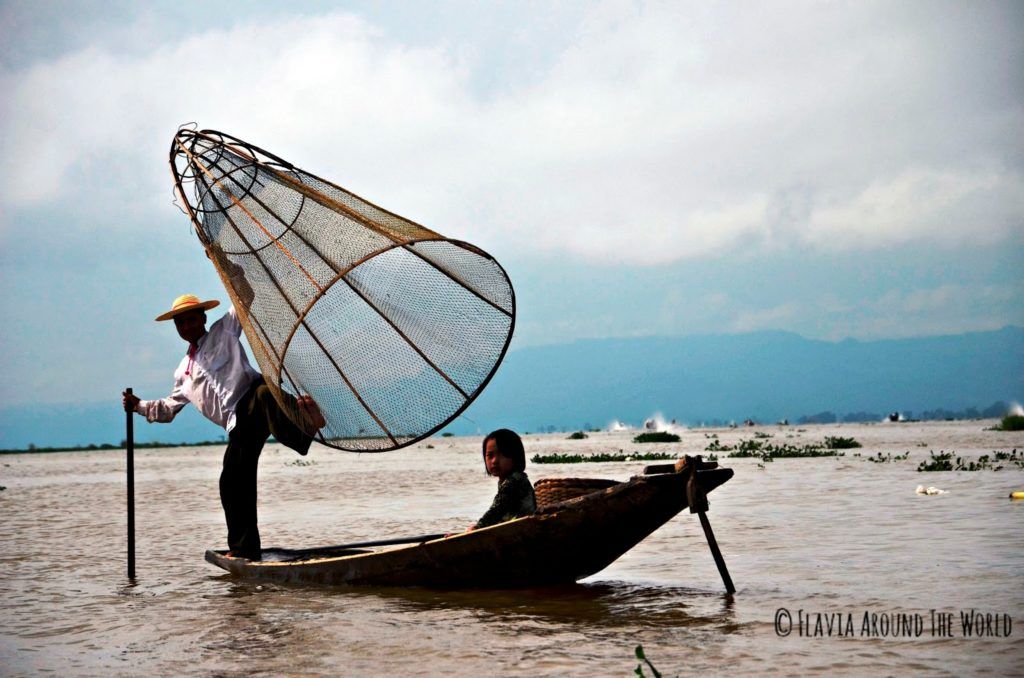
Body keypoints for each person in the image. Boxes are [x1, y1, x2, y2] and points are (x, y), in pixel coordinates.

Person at [122, 293, 326, 561]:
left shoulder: (224, 330)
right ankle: (245, 549)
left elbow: (245, 296)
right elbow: (167, 409)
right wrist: (138, 406)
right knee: (231, 483)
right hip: (237, 423)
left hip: (251, 394)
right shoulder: (183, 372)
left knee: (266, 394)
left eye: (191, 320)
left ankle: (306, 426)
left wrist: (228, 261)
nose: (187, 327)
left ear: (203, 319)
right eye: (181, 323)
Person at [471, 429, 537, 530]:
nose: (494, 461)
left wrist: (477, 528)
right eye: (490, 455)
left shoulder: (515, 480)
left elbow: (496, 511)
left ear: (515, 456)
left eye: (501, 454)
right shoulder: (507, 481)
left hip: (524, 531)